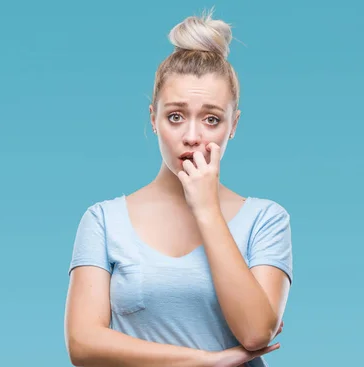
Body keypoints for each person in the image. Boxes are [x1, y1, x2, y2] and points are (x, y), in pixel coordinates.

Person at [64, 10, 293, 367]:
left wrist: (206, 209)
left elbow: (255, 333)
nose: (191, 136)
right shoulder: (103, 221)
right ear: (153, 119)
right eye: (175, 116)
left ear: (233, 126)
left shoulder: (266, 219)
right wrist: (205, 361)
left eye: (212, 119)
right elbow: (82, 343)